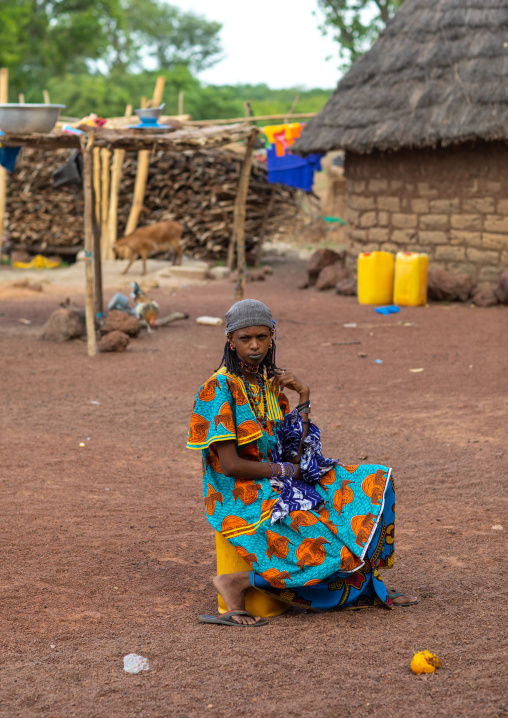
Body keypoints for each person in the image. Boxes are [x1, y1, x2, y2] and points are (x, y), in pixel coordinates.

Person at [187, 299, 418, 626]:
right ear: (230, 340)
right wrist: (282, 472)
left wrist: (304, 397)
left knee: (374, 483)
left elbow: (296, 454)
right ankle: (236, 582)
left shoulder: (270, 386)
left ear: (272, 337)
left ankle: (370, 583)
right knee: (324, 547)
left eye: (262, 337)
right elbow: (229, 466)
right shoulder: (217, 389)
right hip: (239, 495)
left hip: (281, 480)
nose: (254, 346)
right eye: (244, 339)